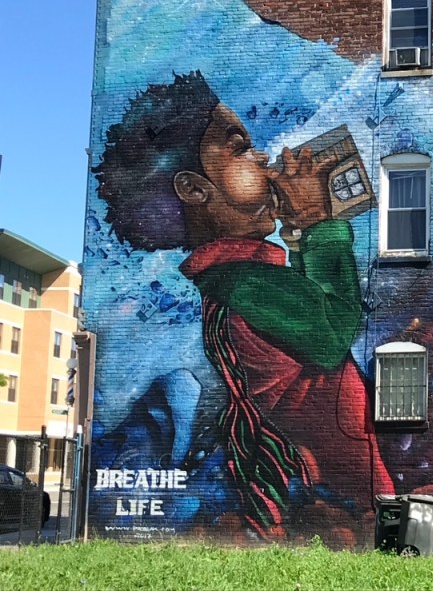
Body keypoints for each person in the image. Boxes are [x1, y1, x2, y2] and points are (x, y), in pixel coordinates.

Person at [94, 70, 393, 540]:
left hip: (331, 485)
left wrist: (301, 238)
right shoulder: (247, 285)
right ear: (194, 189)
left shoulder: (233, 280)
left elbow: (307, 319)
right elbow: (334, 332)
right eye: (240, 148)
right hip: (345, 493)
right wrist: (319, 221)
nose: (262, 157)